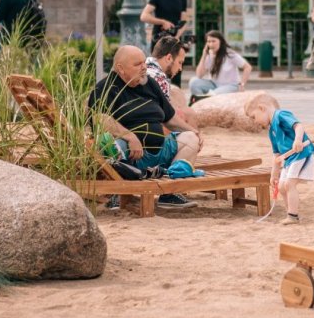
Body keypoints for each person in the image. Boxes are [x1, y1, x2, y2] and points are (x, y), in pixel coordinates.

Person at [89, 45, 201, 210]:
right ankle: (117, 193)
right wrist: (130, 136)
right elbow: (100, 119)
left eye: (144, 62)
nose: (144, 67)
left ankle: (169, 194)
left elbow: (170, 118)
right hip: (130, 157)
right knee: (107, 144)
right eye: (137, 64)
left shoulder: (150, 84)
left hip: (159, 153)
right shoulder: (105, 87)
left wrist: (193, 131)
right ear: (120, 68)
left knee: (190, 139)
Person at [245, 93, 314, 225]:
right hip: (289, 158)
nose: (255, 121)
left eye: (254, 117)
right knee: (282, 186)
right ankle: (290, 213)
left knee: (289, 184)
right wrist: (274, 174)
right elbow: (277, 155)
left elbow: (298, 126)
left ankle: (292, 216)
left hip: (301, 153)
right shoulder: (271, 130)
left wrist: (298, 139)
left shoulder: (281, 115)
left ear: (262, 108)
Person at [140, 0, 191, 86]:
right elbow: (144, 16)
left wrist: (178, 35)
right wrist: (162, 22)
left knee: (177, 68)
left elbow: (184, 20)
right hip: (160, 40)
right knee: (158, 69)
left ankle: (175, 98)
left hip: (176, 39)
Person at [145, 35, 195, 128]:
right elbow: (166, 117)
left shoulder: (144, 67)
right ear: (168, 58)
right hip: (149, 130)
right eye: (180, 62)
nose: (180, 68)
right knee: (188, 113)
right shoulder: (160, 79)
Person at [189, 30, 251, 98]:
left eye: (213, 41)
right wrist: (204, 55)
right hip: (213, 84)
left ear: (220, 42)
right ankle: (200, 101)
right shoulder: (208, 55)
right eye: (209, 41)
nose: (211, 44)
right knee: (193, 83)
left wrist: (242, 84)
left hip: (231, 85)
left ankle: (205, 101)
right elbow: (199, 75)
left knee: (213, 94)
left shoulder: (230, 54)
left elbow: (247, 67)